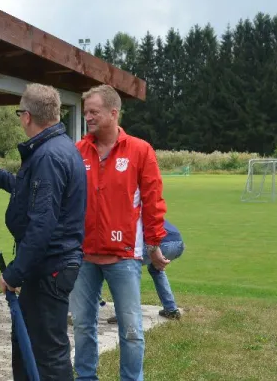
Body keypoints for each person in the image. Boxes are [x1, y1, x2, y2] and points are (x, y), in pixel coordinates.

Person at [0, 83, 87, 380]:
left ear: (26, 116)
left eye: (20, 112)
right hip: (48, 265)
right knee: (28, 344)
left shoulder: (47, 156)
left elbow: (43, 223)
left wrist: (14, 273)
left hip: (50, 266)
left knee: (46, 352)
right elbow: (30, 194)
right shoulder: (55, 149)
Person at [70, 84, 168, 381]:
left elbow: (153, 202)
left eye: (93, 111)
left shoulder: (140, 150)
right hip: (84, 255)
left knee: (131, 330)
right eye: (85, 111)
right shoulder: (77, 151)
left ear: (114, 113)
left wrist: (154, 246)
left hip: (123, 256)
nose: (87, 117)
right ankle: (86, 377)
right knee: (83, 326)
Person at [107, 219, 185, 324]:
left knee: (124, 267)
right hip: (178, 244)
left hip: (161, 243)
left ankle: (125, 313)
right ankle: (171, 309)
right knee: (155, 268)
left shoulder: (124, 213)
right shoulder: (142, 209)